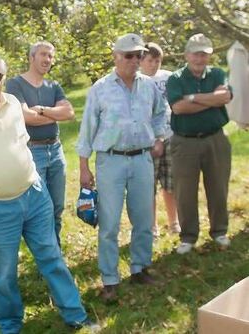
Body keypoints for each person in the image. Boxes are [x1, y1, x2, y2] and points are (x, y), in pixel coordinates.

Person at [0, 50, 98, 333]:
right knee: (3, 273)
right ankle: (10, 325)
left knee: (52, 257)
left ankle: (76, 316)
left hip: (34, 195)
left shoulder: (13, 102)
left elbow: (22, 144)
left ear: (4, 78)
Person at [76, 33, 166, 302]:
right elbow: (87, 129)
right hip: (110, 161)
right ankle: (110, 279)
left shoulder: (149, 86)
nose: (135, 60)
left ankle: (140, 268)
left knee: (143, 219)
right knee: (109, 223)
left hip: (142, 160)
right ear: (115, 56)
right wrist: (84, 167)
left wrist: (160, 137)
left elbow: (162, 112)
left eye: (139, 55)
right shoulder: (100, 88)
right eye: (129, 55)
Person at [166, 33, 233, 255]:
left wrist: (193, 97)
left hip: (215, 138)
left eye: (204, 54)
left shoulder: (217, 73)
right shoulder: (176, 78)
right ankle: (188, 236)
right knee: (185, 190)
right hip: (185, 142)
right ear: (187, 55)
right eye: (196, 54)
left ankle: (219, 231)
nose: (200, 58)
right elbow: (178, 108)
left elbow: (223, 98)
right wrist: (209, 99)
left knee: (218, 187)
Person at [5, 41, 74, 246]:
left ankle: (55, 249)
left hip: (56, 149)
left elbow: (69, 113)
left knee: (58, 206)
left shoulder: (54, 86)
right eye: (43, 54)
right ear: (31, 57)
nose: (47, 60)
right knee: (40, 207)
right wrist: (55, 114)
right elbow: (26, 117)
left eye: (51, 56)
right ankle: (45, 252)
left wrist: (42, 110)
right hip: (33, 151)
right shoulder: (15, 84)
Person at [139, 42, 180, 237]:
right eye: (149, 60)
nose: (154, 64)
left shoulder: (168, 77)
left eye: (157, 60)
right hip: (148, 141)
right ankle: (152, 227)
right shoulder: (136, 81)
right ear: (141, 61)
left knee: (170, 183)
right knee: (149, 186)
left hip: (170, 135)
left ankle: (174, 222)